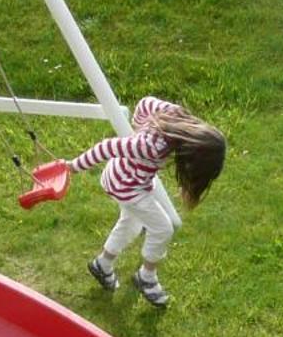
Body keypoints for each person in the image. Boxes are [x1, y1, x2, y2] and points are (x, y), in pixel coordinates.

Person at [67, 97, 225, 308]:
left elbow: (145, 103)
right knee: (163, 228)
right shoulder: (150, 147)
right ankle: (146, 277)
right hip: (125, 185)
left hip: (127, 178)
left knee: (132, 223)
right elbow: (105, 148)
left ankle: (102, 264)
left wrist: (138, 126)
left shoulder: (175, 114)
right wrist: (72, 167)